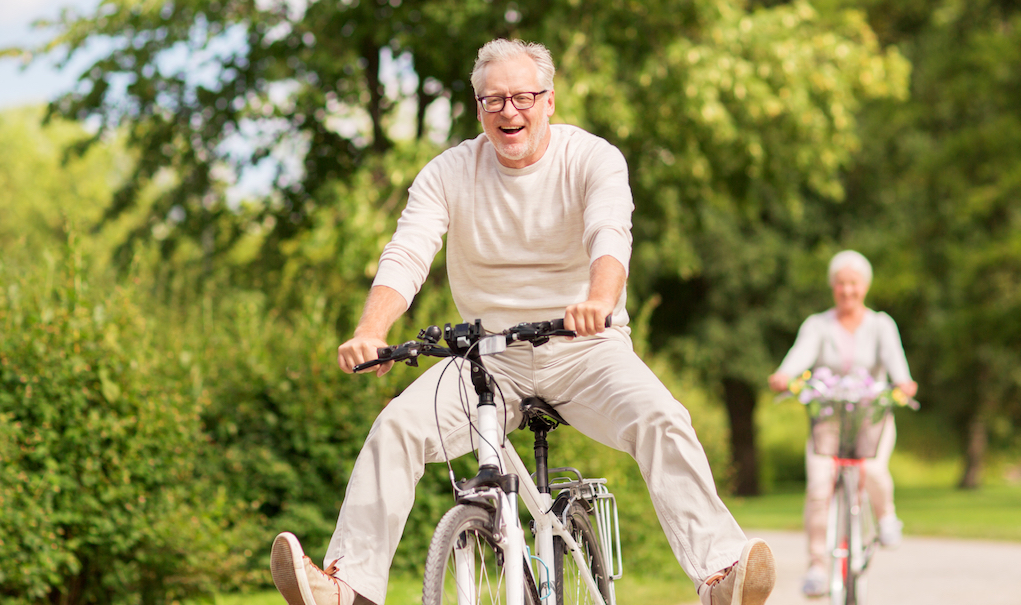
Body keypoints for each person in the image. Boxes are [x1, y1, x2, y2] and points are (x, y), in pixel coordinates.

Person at [269, 39, 777, 605]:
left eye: (522, 97)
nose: (509, 111)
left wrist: (598, 300)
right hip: (488, 359)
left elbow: (610, 233)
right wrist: (371, 331)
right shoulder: (449, 172)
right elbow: (408, 251)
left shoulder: (592, 158)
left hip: (586, 349)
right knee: (396, 431)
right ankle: (349, 590)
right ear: (478, 108)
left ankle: (719, 577)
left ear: (550, 101)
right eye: (493, 101)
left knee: (662, 418)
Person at [766, 250, 917, 598]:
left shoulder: (882, 325)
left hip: (871, 418)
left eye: (854, 284)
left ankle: (886, 517)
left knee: (874, 470)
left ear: (864, 287)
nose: (847, 291)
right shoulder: (818, 325)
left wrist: (904, 384)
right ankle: (817, 567)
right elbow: (798, 357)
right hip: (829, 420)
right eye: (841, 284)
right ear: (833, 287)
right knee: (819, 486)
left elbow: (898, 368)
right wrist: (784, 375)